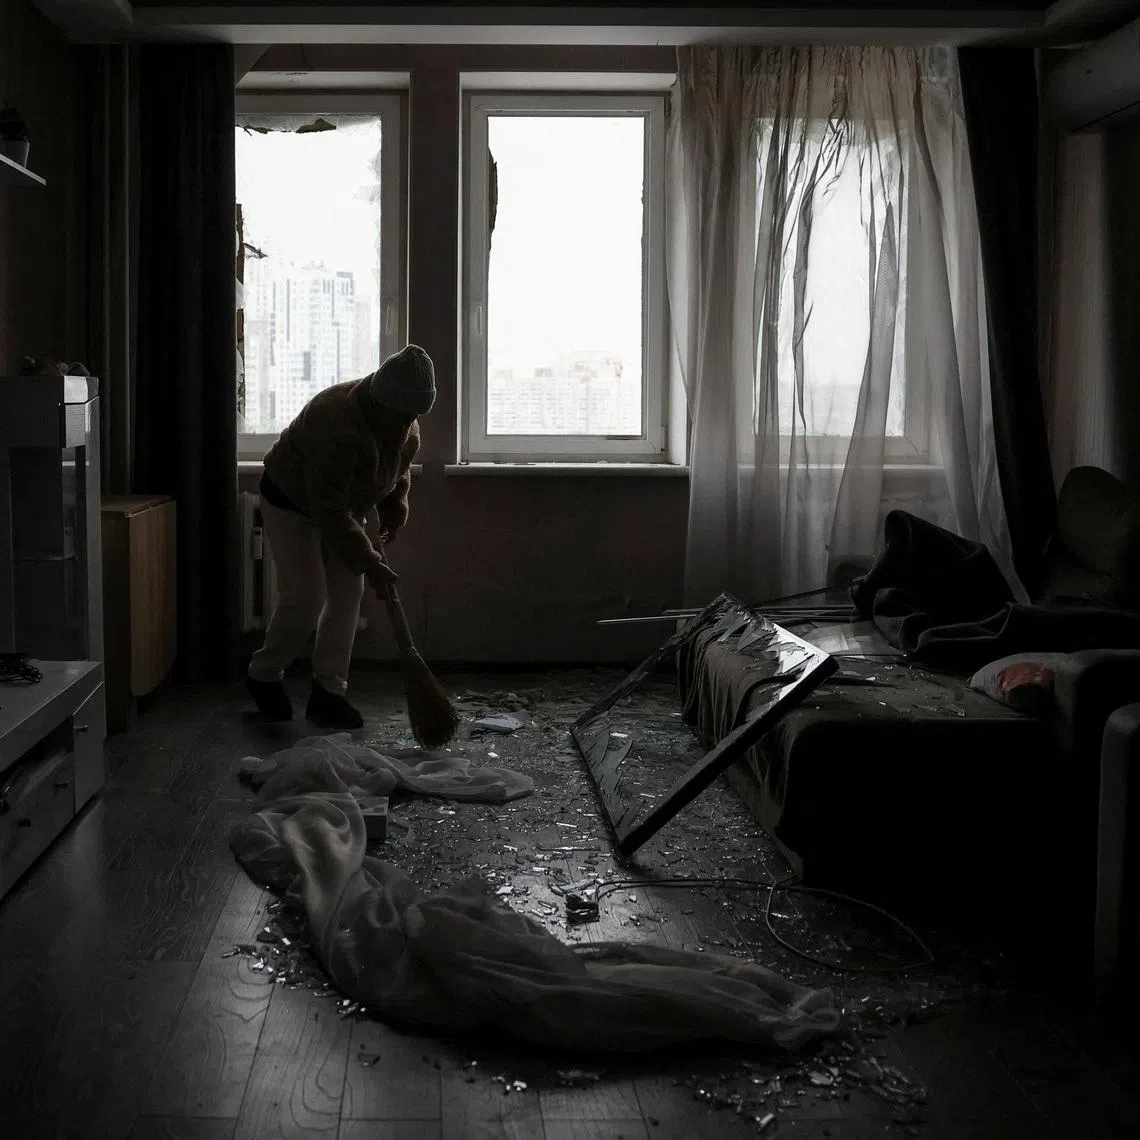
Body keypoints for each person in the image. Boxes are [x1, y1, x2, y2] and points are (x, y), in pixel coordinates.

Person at [246, 343, 435, 730]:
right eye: (403, 416)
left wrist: (395, 506)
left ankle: (329, 693)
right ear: (381, 402)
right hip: (291, 501)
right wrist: (369, 560)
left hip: (346, 506)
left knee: (347, 597)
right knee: (305, 596)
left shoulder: (403, 420)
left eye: (414, 416)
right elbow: (328, 510)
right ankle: (264, 674)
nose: (408, 424)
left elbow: (398, 469)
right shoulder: (335, 421)